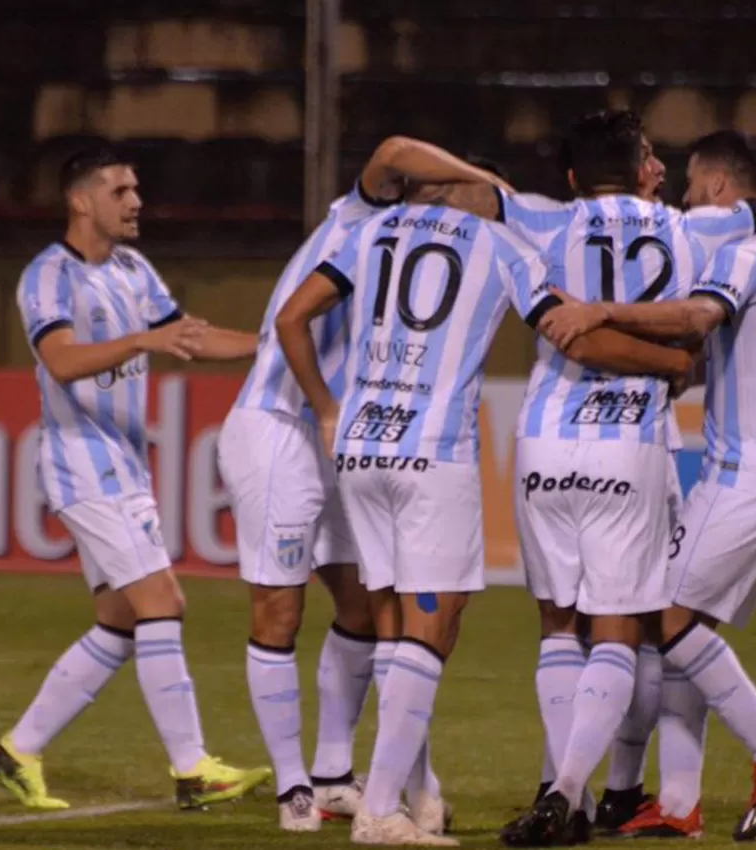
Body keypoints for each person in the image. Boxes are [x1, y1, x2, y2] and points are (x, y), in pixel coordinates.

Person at [274, 180, 694, 845]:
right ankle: (381, 809)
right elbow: (573, 337)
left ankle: (420, 794)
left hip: (359, 444)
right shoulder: (500, 241)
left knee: (391, 621)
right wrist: (669, 360)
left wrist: (326, 406)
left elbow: (290, 317)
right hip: (430, 451)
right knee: (433, 628)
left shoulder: (367, 233)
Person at [538, 129, 756, 842]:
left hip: (751, 472)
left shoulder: (746, 252)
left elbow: (698, 317)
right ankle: (676, 804)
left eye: (697, 188)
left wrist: (601, 310)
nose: (690, 200)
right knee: (684, 629)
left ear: (723, 187)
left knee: (664, 618)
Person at [217, 136, 510, 832]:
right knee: (279, 611)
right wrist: (487, 181)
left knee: (366, 609)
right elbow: (395, 149)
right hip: (280, 425)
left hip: (356, 440)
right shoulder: (360, 217)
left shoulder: (428, 243)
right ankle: (294, 788)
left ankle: (335, 773)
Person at [0, 144, 271, 812]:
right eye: (120, 190)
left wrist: (275, 343)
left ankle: (17, 752)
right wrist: (141, 341)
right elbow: (60, 360)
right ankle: (193, 768)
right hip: (82, 463)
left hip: (123, 465)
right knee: (163, 604)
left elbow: (187, 337)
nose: (136, 201)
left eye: (136, 188)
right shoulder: (47, 277)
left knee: (120, 619)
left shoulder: (135, 270)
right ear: (81, 200)